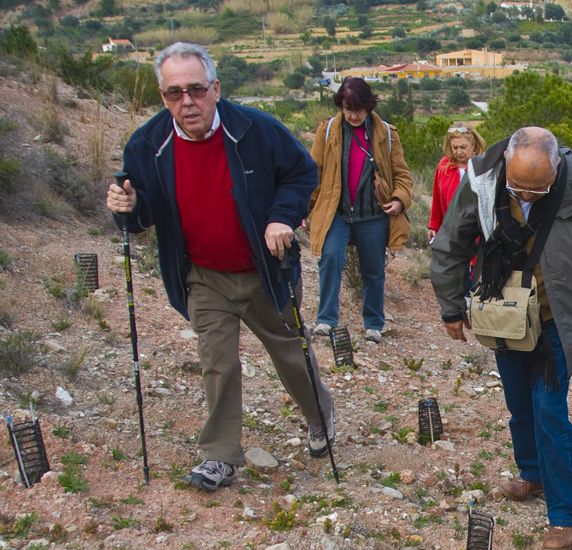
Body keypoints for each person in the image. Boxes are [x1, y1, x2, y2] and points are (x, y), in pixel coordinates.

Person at [105, 42, 331, 492]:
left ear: (215, 89)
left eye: (196, 89)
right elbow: (140, 210)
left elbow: (302, 173)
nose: (187, 102)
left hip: (264, 268)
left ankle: (320, 416)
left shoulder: (256, 129)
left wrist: (281, 217)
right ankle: (220, 455)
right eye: (174, 93)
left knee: (290, 354)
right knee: (218, 362)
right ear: (163, 96)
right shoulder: (148, 144)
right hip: (203, 275)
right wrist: (126, 206)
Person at [430, 127, 572, 550]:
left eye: (539, 190)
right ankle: (533, 474)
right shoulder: (481, 179)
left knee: (549, 409)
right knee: (518, 401)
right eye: (519, 189)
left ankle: (564, 513)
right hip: (505, 312)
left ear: (555, 170)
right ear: (506, 165)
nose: (528, 197)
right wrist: (450, 307)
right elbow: (450, 244)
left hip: (559, 315)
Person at [307, 77, 413, 344]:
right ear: (341, 107)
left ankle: (373, 324)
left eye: (358, 110)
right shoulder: (327, 132)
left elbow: (402, 174)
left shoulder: (386, 134)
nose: (353, 115)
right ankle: (326, 320)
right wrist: (303, 209)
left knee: (373, 270)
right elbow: (313, 173)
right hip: (336, 212)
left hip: (373, 214)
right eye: (348, 109)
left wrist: (399, 199)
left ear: (369, 107)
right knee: (330, 258)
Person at [429, 121, 486, 243]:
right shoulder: (444, 166)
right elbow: (437, 199)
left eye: (463, 147)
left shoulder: (482, 166)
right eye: (455, 147)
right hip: (449, 232)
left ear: (473, 145)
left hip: (477, 235)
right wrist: (434, 226)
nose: (458, 152)